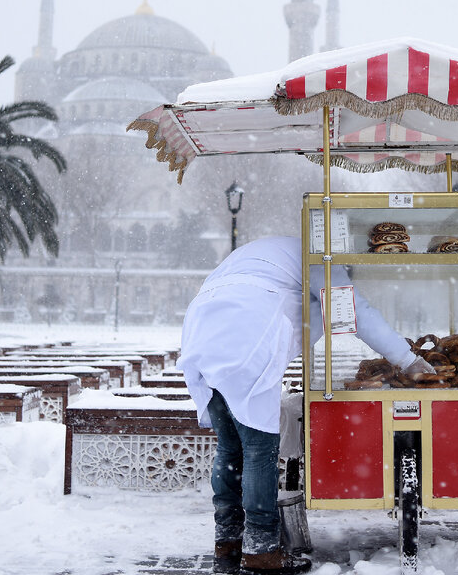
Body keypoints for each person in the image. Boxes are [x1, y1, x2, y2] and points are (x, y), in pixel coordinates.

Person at [178, 236, 432, 575]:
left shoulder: (272, 250)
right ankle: (262, 550)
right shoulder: (319, 257)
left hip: (203, 331)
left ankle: (228, 542)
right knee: (258, 450)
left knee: (230, 448)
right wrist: (406, 358)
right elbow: (353, 310)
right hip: (248, 334)